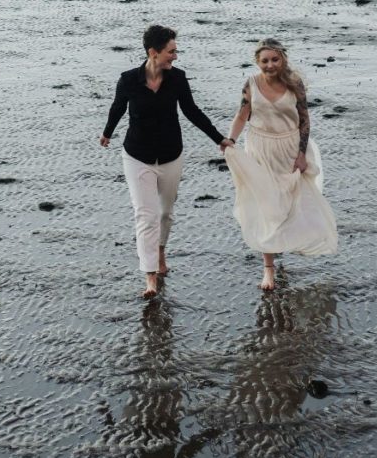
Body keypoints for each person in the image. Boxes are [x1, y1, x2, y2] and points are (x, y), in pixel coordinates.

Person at [102, 25, 232, 298]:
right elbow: (117, 107)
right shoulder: (128, 80)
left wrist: (219, 139)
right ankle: (150, 276)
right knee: (146, 215)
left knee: (165, 213)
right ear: (154, 52)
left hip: (172, 154)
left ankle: (160, 250)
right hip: (137, 156)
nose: (175, 56)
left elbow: (192, 112)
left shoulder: (178, 79)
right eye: (171, 51)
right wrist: (107, 133)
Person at [221, 39, 337, 290]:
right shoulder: (251, 84)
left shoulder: (294, 84)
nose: (270, 65)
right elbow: (242, 115)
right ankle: (268, 269)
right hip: (260, 149)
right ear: (257, 62)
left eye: (274, 59)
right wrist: (231, 139)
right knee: (266, 206)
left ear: (282, 59)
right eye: (264, 60)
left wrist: (302, 153)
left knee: (291, 203)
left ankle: (287, 240)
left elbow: (305, 120)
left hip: (289, 148)